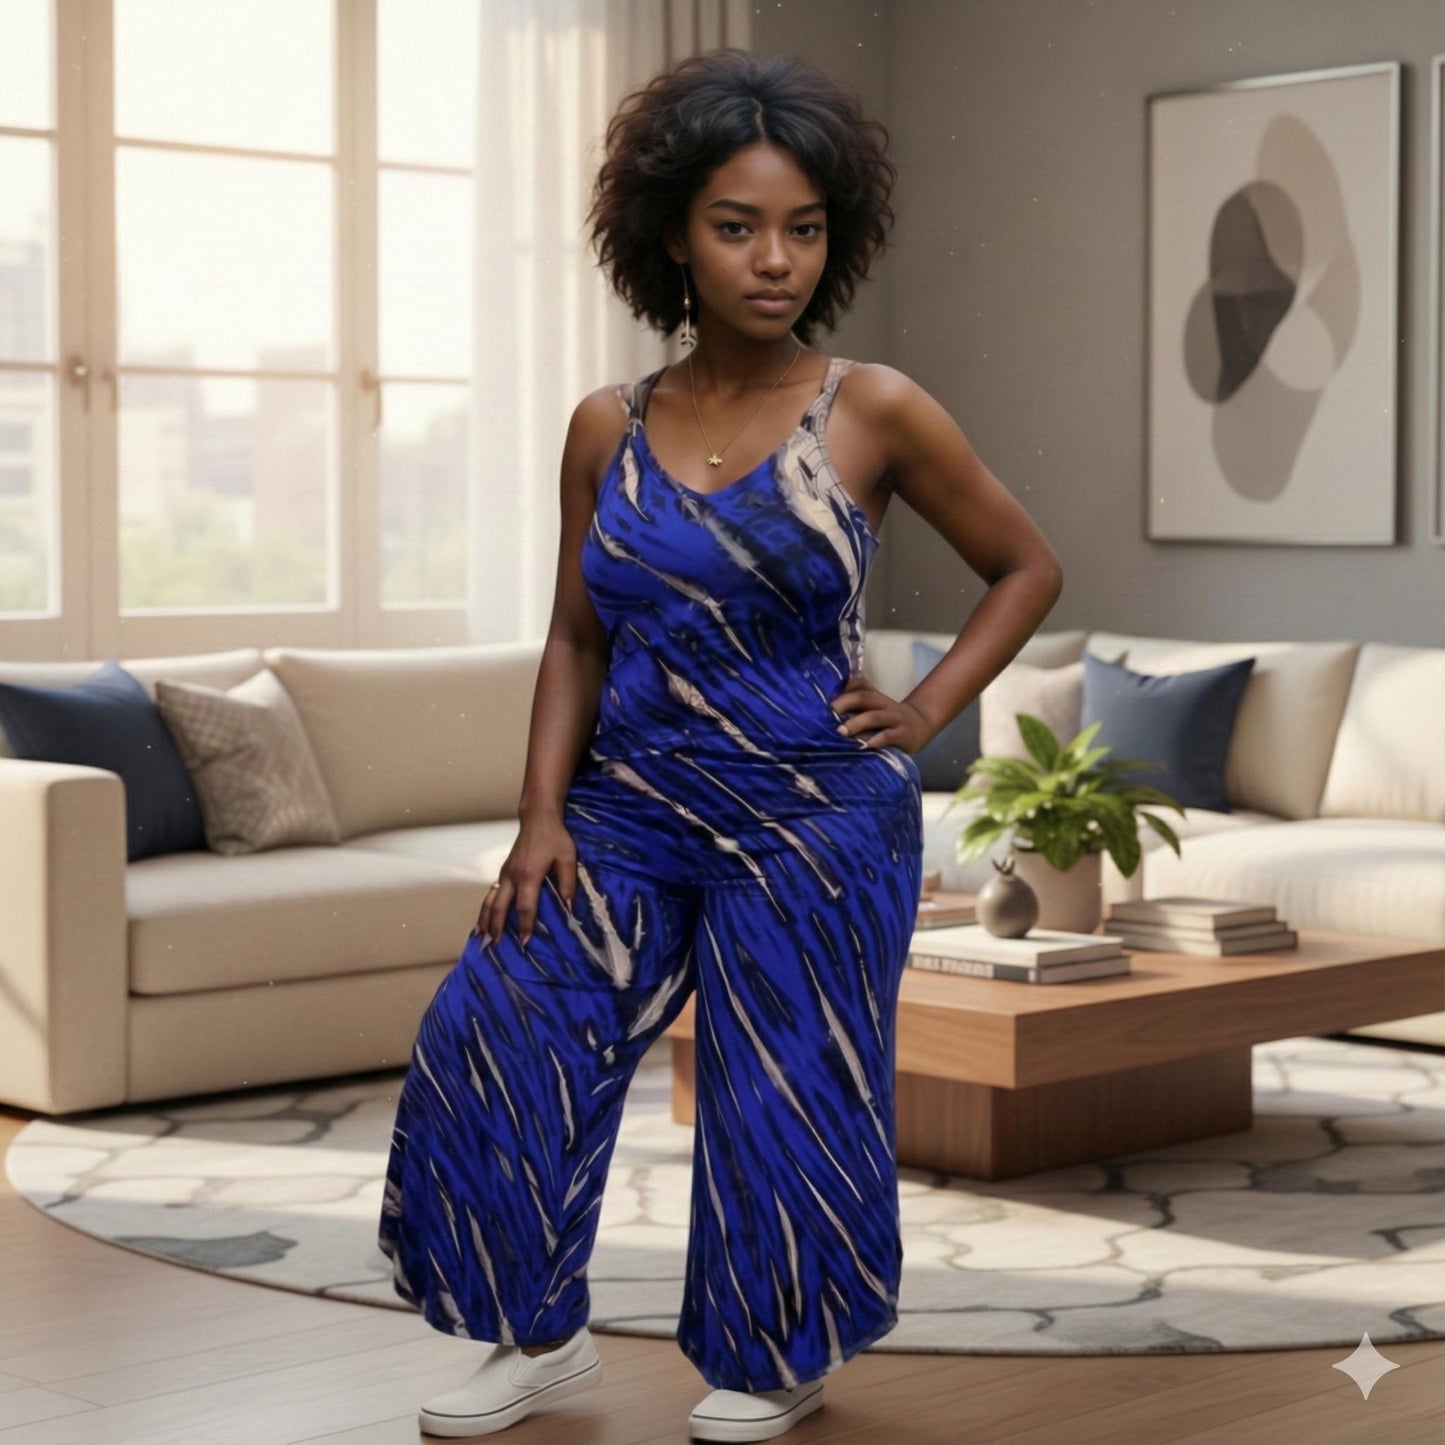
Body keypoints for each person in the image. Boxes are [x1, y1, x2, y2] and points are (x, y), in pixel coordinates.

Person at [377, 46, 1063, 1443]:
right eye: (737, 226)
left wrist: (925, 714)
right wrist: (538, 818)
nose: (774, 260)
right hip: (623, 808)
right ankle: (534, 1333)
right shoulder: (604, 428)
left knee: (781, 1092)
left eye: (802, 228)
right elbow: (575, 638)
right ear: (669, 236)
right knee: (503, 1032)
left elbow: (1025, 564)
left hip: (814, 819)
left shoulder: (870, 407)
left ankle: (774, 1353)